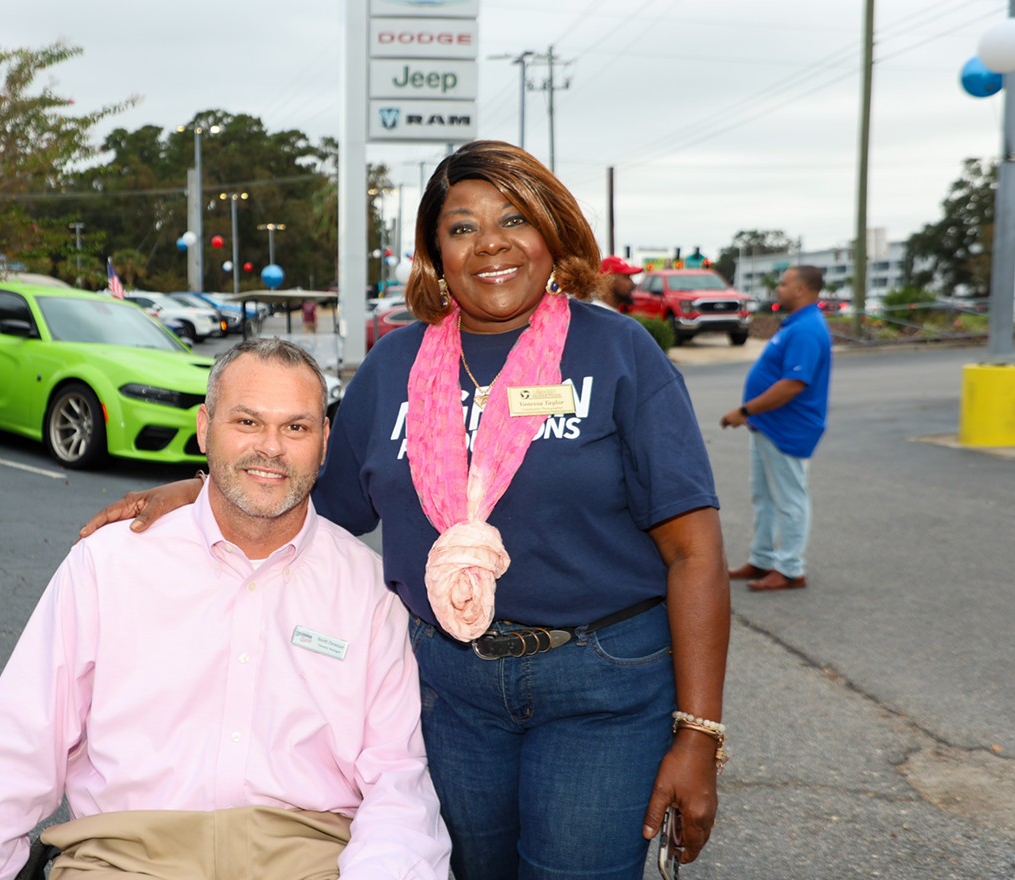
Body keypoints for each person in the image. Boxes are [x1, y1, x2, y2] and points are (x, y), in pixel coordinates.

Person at [81, 140, 731, 880]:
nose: (489, 244)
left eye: (513, 218)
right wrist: (202, 493)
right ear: (434, 254)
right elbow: (312, 503)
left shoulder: (619, 354)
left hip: (601, 681)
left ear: (550, 232)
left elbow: (695, 551)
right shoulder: (394, 366)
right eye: (461, 227)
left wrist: (698, 735)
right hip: (448, 690)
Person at [0, 338, 451, 880]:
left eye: (296, 427)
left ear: (325, 440)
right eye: (246, 422)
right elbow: (15, 751)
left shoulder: (367, 589)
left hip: (306, 863)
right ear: (203, 427)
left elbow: (397, 783)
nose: (271, 448)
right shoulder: (110, 564)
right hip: (123, 862)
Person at [720, 265, 832, 591]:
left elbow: (793, 384)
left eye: (783, 284)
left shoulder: (807, 329)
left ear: (800, 289)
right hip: (767, 425)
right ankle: (762, 558)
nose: (778, 289)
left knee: (790, 499)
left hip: (787, 428)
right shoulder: (795, 324)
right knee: (765, 498)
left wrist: (745, 410)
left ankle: (790, 568)